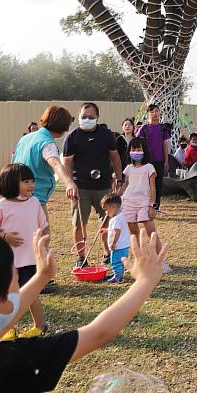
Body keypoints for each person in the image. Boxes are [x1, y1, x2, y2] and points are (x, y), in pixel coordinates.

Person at [0, 225, 166, 393]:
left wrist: (41, 277)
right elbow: (99, 332)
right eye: (11, 268)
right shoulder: (12, 363)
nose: (16, 271)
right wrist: (145, 282)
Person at [0, 164, 49, 340]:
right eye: (26, 181)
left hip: (30, 259)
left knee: (31, 294)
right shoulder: (2, 205)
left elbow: (42, 226)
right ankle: (8, 328)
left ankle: (40, 326)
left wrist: (41, 245)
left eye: (32, 181)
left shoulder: (35, 203)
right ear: (11, 183)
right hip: (9, 261)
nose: (31, 185)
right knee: (8, 296)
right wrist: (5, 236)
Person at [62, 103, 123, 269]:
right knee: (79, 224)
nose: (87, 119)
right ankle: (81, 257)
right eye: (83, 116)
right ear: (79, 116)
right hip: (80, 188)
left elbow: (115, 157)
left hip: (103, 187)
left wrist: (119, 178)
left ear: (97, 118)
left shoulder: (106, 135)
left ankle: (107, 254)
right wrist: (70, 183)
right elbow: (66, 163)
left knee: (108, 223)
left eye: (90, 117)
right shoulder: (72, 137)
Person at [13, 105, 78, 235]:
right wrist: (69, 183)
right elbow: (55, 163)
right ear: (63, 128)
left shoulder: (25, 138)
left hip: (15, 195)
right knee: (42, 239)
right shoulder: (47, 143)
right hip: (34, 199)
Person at [117, 138, 170, 273]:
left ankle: (161, 261)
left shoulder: (149, 168)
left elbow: (153, 188)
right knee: (134, 232)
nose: (136, 152)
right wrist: (117, 196)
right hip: (128, 202)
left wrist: (152, 205)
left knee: (151, 231)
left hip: (144, 203)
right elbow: (126, 184)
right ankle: (139, 260)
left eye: (139, 149)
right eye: (133, 149)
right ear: (129, 152)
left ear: (144, 151)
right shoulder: (128, 168)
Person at [136, 104, 170, 212]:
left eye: (156, 111)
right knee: (146, 185)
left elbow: (165, 145)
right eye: (152, 112)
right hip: (146, 161)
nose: (154, 114)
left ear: (159, 113)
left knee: (158, 184)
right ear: (148, 114)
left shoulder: (163, 128)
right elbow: (138, 144)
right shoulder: (143, 128)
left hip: (159, 160)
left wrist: (166, 160)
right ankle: (145, 206)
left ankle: (156, 207)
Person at [99, 194, 131, 283]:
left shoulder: (116, 219)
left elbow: (117, 231)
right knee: (122, 261)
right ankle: (119, 274)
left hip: (118, 246)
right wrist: (107, 230)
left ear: (113, 207)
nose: (106, 212)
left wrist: (113, 243)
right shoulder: (120, 217)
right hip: (124, 245)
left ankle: (118, 277)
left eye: (106, 209)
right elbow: (115, 229)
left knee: (115, 262)